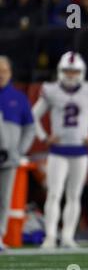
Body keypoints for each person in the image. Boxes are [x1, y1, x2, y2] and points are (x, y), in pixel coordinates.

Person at [32, 51, 88, 249]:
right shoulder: (51, 90)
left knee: (74, 195)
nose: (70, 74)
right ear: (60, 71)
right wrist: (44, 137)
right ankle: (50, 237)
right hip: (58, 150)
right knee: (54, 194)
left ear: (81, 72)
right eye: (67, 70)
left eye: (74, 71)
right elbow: (33, 115)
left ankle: (67, 236)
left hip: (80, 151)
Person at [0, 56, 35, 251]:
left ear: (10, 73)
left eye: (4, 71)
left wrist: (19, 150)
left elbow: (30, 127)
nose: (1, 75)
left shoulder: (19, 98)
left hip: (9, 159)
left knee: (4, 199)